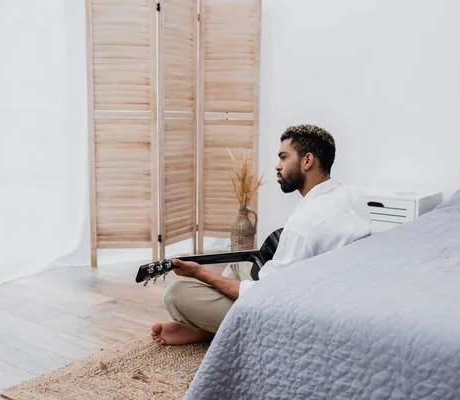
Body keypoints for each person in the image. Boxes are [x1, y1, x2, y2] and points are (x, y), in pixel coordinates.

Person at [150, 124, 372, 345]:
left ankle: (207, 330)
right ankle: (208, 326)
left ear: (307, 160)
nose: (277, 166)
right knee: (239, 266)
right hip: (328, 290)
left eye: (284, 157)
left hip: (291, 315)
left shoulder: (305, 224)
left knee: (176, 294)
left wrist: (200, 274)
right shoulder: (350, 194)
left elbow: (265, 296)